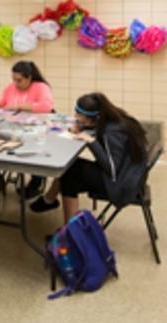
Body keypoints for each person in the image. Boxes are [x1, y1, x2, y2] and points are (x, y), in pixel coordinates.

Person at [30, 92, 149, 224]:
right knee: (68, 180)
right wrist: (83, 126)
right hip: (127, 176)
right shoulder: (112, 117)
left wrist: (91, 141)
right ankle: (70, 232)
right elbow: (94, 127)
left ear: (97, 118)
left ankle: (50, 203)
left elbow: (112, 169)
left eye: (83, 120)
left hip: (121, 185)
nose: (80, 122)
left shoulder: (113, 132)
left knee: (69, 168)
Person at [0, 60, 54, 198]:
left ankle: (35, 184)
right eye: (13, 79)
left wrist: (19, 106)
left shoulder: (41, 87)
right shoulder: (10, 87)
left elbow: (46, 107)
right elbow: (3, 107)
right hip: (13, 129)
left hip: (34, 130)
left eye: (19, 80)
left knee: (36, 150)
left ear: (29, 78)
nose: (16, 83)